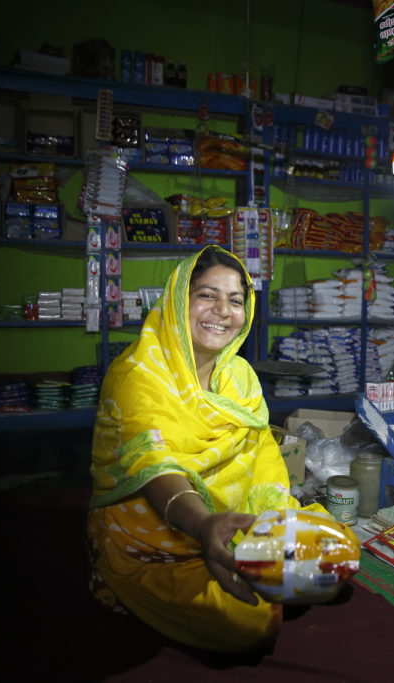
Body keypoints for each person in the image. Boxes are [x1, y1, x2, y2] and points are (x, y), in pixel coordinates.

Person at [87, 245, 336, 653]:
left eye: (236, 300)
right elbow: (154, 465)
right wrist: (204, 527)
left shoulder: (239, 376)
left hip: (235, 524)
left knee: (336, 551)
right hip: (157, 539)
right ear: (176, 302)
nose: (223, 310)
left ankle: (265, 576)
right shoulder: (138, 374)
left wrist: (274, 523)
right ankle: (126, 579)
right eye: (206, 294)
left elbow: (263, 459)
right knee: (245, 623)